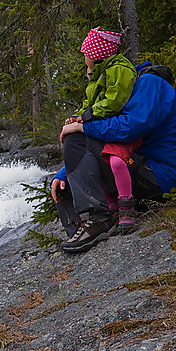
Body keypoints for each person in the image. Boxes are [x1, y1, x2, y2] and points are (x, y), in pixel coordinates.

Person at [50, 59, 176, 253]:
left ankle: (97, 221)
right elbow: (106, 146)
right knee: (65, 186)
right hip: (135, 169)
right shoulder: (120, 90)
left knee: (75, 138)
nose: (89, 75)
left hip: (158, 175)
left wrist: (82, 126)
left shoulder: (149, 83)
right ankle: (80, 231)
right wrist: (63, 174)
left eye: (92, 69)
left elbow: (130, 129)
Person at [66, 27, 140, 232]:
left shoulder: (119, 69)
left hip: (117, 128)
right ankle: (112, 207)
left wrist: (86, 117)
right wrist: (77, 116)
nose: (84, 59)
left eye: (86, 55)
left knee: (115, 161)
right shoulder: (100, 73)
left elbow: (115, 101)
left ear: (97, 55)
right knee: (96, 163)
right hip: (104, 127)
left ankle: (126, 207)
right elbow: (91, 102)